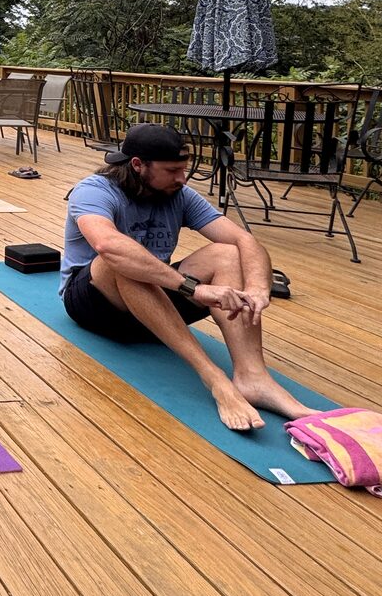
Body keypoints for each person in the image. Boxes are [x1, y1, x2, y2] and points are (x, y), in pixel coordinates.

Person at [62, 123, 319, 431]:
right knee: (121, 259)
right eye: (172, 170)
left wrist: (257, 288)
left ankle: (253, 377)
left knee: (227, 253)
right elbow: (107, 245)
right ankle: (215, 379)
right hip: (96, 305)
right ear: (138, 164)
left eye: (183, 169)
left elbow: (244, 240)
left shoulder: (179, 194)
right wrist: (192, 289)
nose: (182, 178)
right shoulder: (94, 190)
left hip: (153, 306)